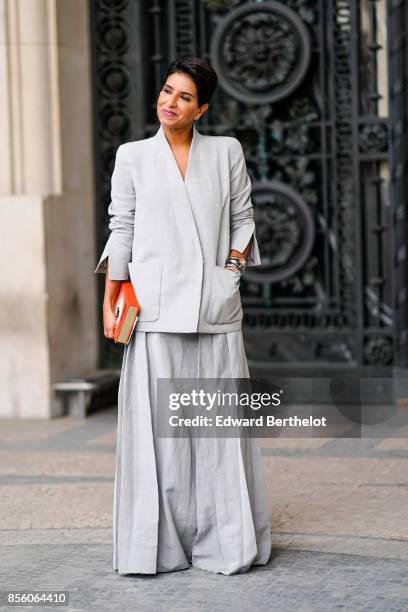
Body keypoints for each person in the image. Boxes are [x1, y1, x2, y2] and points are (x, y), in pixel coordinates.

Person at [94, 57, 272, 576]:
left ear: (203, 108)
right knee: (160, 440)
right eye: (167, 91)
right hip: (151, 310)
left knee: (217, 432)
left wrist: (231, 271)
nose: (170, 102)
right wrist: (113, 294)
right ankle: (158, 547)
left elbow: (243, 218)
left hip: (214, 307)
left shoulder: (226, 152)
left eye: (185, 97)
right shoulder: (132, 157)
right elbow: (121, 227)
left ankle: (226, 544)